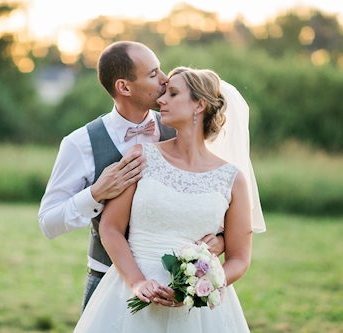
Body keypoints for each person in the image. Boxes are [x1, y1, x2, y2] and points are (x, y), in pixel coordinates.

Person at [38, 41, 228, 313]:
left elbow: (213, 192)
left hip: (176, 286)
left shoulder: (181, 126)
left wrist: (220, 238)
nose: (164, 80)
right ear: (124, 87)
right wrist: (95, 194)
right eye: (153, 74)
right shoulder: (80, 144)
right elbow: (48, 223)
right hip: (106, 279)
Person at [74, 67, 260, 332]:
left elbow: (240, 258)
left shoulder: (232, 179)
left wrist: (196, 290)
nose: (160, 100)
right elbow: (110, 228)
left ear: (199, 104)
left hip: (197, 313)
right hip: (131, 295)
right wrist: (137, 282)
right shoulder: (141, 156)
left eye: (172, 94)